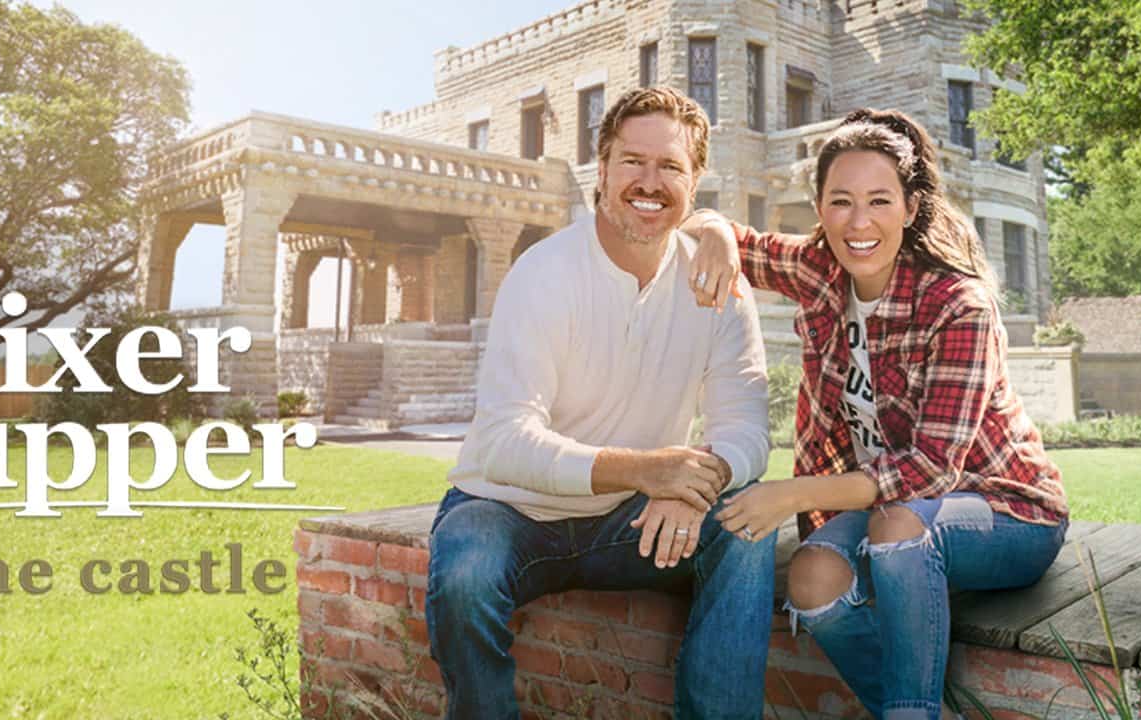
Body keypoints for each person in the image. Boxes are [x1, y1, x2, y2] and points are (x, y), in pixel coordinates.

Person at [679, 108, 1069, 720]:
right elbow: (722, 229)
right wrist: (715, 233)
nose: (858, 223)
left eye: (879, 201)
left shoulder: (957, 305)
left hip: (1005, 511)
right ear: (820, 207)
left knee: (899, 525)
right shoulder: (819, 271)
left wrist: (788, 494)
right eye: (840, 202)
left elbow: (931, 471)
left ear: (911, 209)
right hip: (891, 510)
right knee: (811, 581)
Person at [426, 87, 775, 719]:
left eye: (670, 166)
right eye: (632, 162)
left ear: (695, 183)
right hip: (508, 509)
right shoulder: (543, 272)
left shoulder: (719, 285)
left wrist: (697, 480)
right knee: (465, 580)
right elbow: (505, 441)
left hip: (629, 520)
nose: (649, 182)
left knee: (745, 528)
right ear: (602, 171)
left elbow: (747, 426)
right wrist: (646, 469)